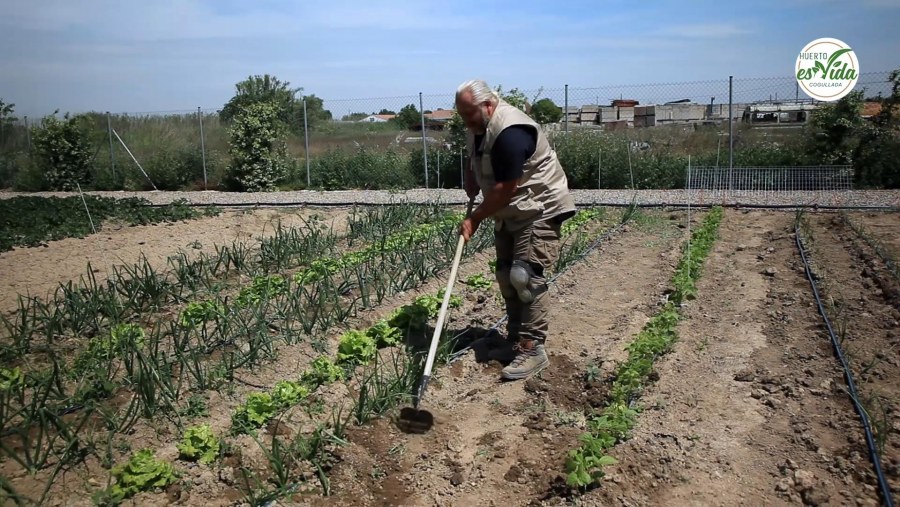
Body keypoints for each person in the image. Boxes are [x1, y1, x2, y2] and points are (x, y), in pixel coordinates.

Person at [455, 79, 576, 381]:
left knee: (525, 276)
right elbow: (476, 158)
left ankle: (532, 348)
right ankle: (514, 339)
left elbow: (505, 189)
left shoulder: (511, 132)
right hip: (513, 210)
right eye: (462, 115)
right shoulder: (478, 126)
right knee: (505, 275)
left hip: (539, 207)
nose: (466, 121)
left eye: (469, 113)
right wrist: (470, 177)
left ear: (488, 105)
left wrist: (476, 218)